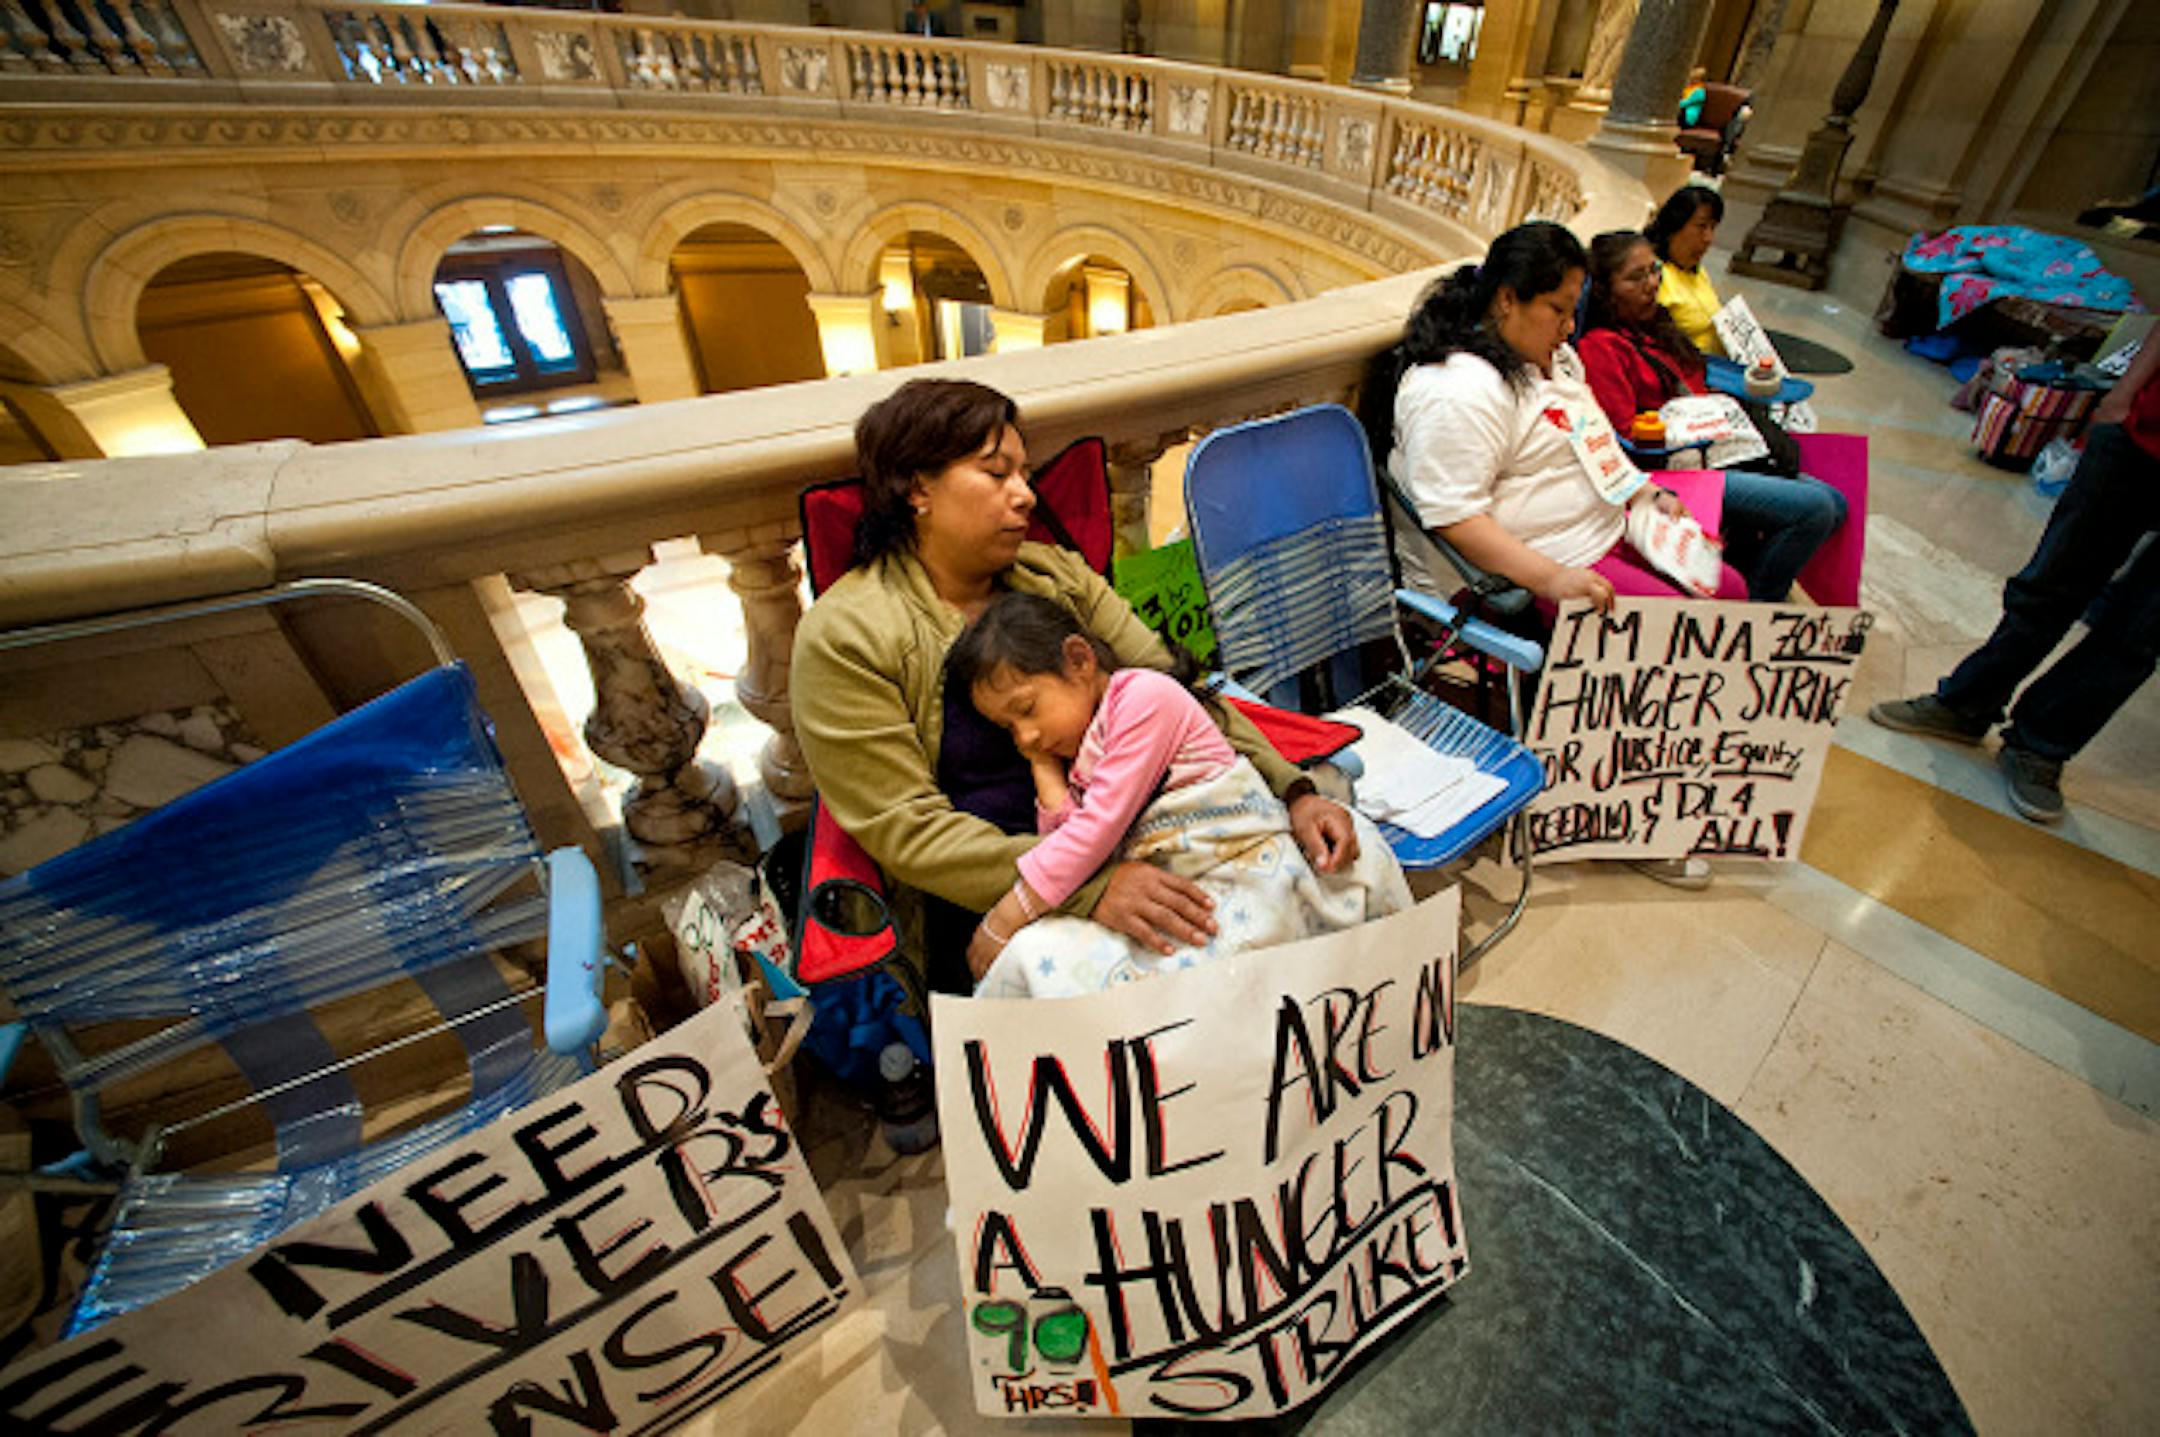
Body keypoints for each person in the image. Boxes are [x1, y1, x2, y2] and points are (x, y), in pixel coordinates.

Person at [791, 377, 1366, 996]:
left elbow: (1176, 691)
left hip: (1152, 837)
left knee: (1315, 906)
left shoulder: (1052, 577)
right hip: (988, 891)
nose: (1026, 497)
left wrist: (1295, 790)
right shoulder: (846, 637)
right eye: (996, 474)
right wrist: (1086, 885)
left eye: (1026, 473)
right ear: (917, 488)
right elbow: (910, 830)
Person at [945, 593, 1408, 998]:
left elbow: (1093, 834)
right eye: (1008, 728)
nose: (1024, 736)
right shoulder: (1083, 745)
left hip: (1238, 863)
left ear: (1080, 660)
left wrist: (1009, 914)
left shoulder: (1144, 698)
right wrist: (1044, 770)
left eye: (1026, 710)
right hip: (1173, 881)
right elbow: (1065, 844)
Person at [1360, 219, 1743, 618]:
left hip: (1604, 531)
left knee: (1732, 591)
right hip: (1522, 573)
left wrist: (1644, 494)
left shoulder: (1555, 359)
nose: (1571, 327)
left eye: (1572, 310)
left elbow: (1593, 442)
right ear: (1507, 300)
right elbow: (1455, 517)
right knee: (1697, 626)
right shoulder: (1453, 388)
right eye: (1558, 310)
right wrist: (1551, 578)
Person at [1869, 336, 2160, 823]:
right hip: (2139, 437)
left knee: (2141, 633)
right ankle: (1966, 702)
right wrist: (2123, 394)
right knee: (2051, 585)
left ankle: (2041, 746)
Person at [1576, 229, 1848, 601]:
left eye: (1653, 271)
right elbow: (1623, 435)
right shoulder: (1601, 346)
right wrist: (1690, 426)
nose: (1652, 283)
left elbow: (1698, 385)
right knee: (1815, 509)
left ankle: (1757, 577)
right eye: (1635, 277)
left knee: (1836, 502)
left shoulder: (1658, 326)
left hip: (1719, 448)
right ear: (1605, 290)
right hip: (1675, 466)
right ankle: (1756, 610)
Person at [1646, 184, 1726, 355]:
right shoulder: (1652, 276)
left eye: (1713, 228)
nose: (1708, 238)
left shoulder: (1697, 271)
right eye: (1701, 227)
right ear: (1674, 226)